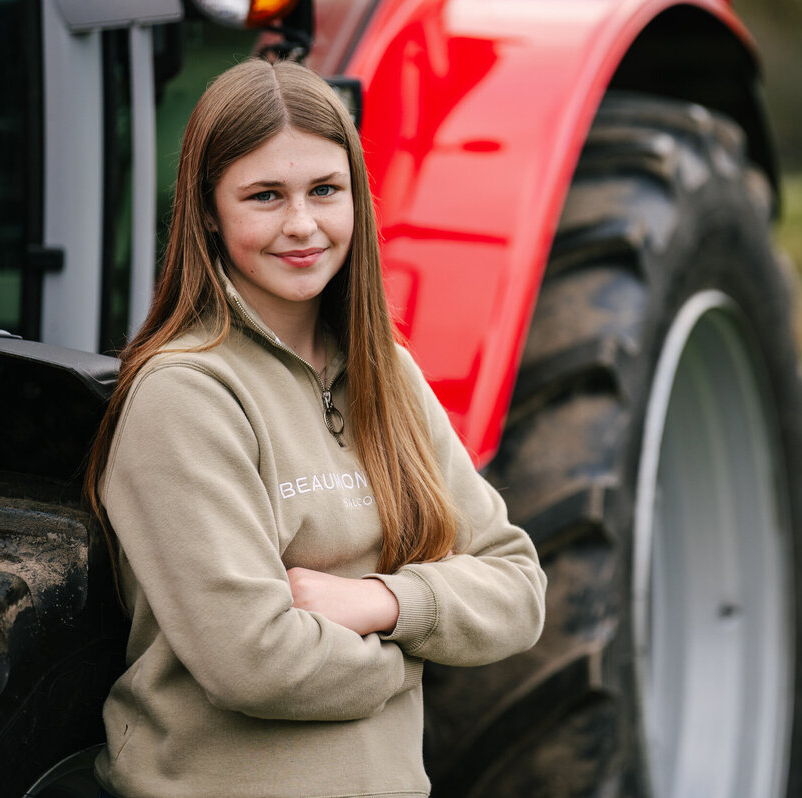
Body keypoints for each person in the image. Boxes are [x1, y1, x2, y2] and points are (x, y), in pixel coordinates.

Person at [83, 58, 546, 798]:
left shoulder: (388, 377)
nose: (302, 224)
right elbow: (257, 659)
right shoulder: (186, 397)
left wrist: (386, 604)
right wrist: (419, 653)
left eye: (325, 191)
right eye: (265, 196)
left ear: (356, 198)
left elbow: (518, 588)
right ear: (207, 211)